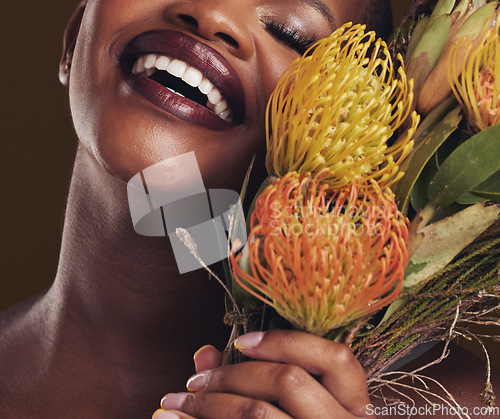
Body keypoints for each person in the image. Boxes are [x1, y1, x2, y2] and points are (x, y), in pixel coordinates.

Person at [0, 1, 497, 418]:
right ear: (73, 36)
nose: (213, 14)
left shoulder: (445, 403)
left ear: (354, 127)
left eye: (288, 31)